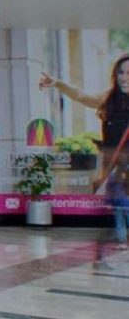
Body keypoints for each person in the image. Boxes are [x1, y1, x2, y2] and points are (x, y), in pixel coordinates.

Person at [40, 53, 129, 266]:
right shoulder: (108, 99)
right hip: (116, 168)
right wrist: (57, 83)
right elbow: (81, 96)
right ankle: (120, 241)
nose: (124, 77)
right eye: (121, 72)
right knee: (118, 207)